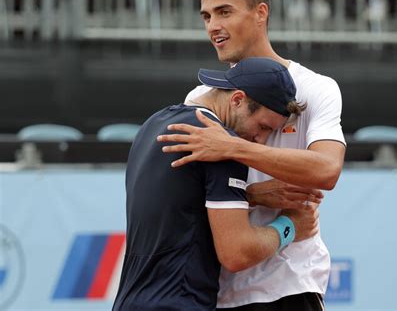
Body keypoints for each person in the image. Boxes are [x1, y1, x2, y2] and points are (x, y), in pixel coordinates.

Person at [156, 0, 346, 311]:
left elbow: (327, 170)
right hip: (219, 290)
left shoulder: (317, 87)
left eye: (224, 12)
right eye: (206, 16)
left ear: (261, 13)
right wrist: (254, 195)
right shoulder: (198, 100)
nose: (213, 26)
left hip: (290, 286)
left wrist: (232, 146)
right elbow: (183, 203)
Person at [112, 57, 320, 311]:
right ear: (237, 100)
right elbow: (236, 253)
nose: (260, 141)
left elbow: (178, 203)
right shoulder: (220, 145)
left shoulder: (151, 125)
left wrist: (250, 196)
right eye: (263, 127)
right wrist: (290, 226)